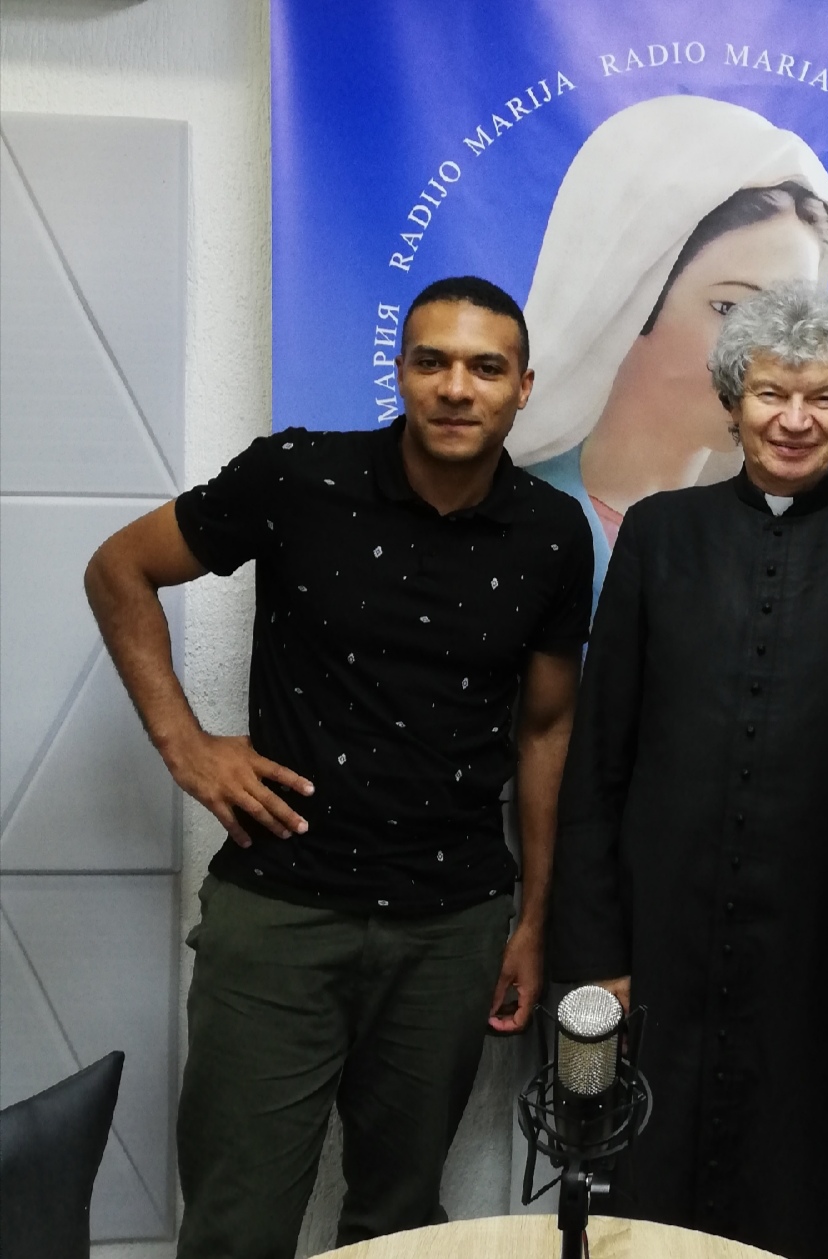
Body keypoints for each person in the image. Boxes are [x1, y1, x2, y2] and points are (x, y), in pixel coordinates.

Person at [84, 277, 594, 1256]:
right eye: (431, 361)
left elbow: (545, 731)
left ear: (523, 387)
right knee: (236, 1226)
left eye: (485, 367)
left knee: (398, 1228)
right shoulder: (297, 477)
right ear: (399, 372)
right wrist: (186, 744)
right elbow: (120, 568)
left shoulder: (553, 533)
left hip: (451, 927)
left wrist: (532, 920)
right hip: (280, 912)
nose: (456, 387)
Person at [548, 282, 828, 1259]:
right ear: (733, 398)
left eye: (822, 397)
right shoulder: (657, 535)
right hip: (659, 957)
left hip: (827, 967)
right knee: (646, 1212)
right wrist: (597, 956)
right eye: (773, 392)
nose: (794, 418)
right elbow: (597, 762)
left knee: (814, 1205)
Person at [507, 94, 828, 599]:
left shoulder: (782, 550)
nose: (771, 356)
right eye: (730, 308)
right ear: (628, 298)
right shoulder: (513, 521)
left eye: (790, 318)